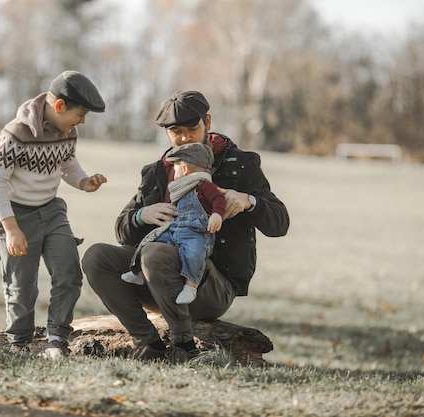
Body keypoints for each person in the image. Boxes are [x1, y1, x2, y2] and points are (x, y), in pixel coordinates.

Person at [82, 90, 289, 362]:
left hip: (212, 286)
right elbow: (122, 229)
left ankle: (184, 347)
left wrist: (249, 201)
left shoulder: (240, 164)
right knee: (96, 257)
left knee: (154, 254)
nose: (183, 138)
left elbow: (280, 222)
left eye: (191, 128)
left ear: (208, 122)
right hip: (156, 279)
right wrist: (142, 215)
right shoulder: (157, 171)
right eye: (175, 131)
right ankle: (149, 344)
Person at [0, 70, 107, 358]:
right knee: (21, 285)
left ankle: (56, 341)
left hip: (51, 210)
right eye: (80, 114)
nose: (82, 121)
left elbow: (67, 164)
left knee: (68, 272)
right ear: (59, 106)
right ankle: (20, 343)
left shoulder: (69, 131)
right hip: (14, 214)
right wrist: (11, 228)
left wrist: (83, 181)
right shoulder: (16, 133)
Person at [120, 142, 226, 305]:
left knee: (194, 252)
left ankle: (191, 286)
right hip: (175, 229)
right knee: (151, 241)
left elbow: (219, 198)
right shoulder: (182, 188)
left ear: (184, 169)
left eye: (175, 168)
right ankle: (139, 272)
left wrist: (217, 215)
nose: (173, 172)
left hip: (196, 232)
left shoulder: (204, 185)